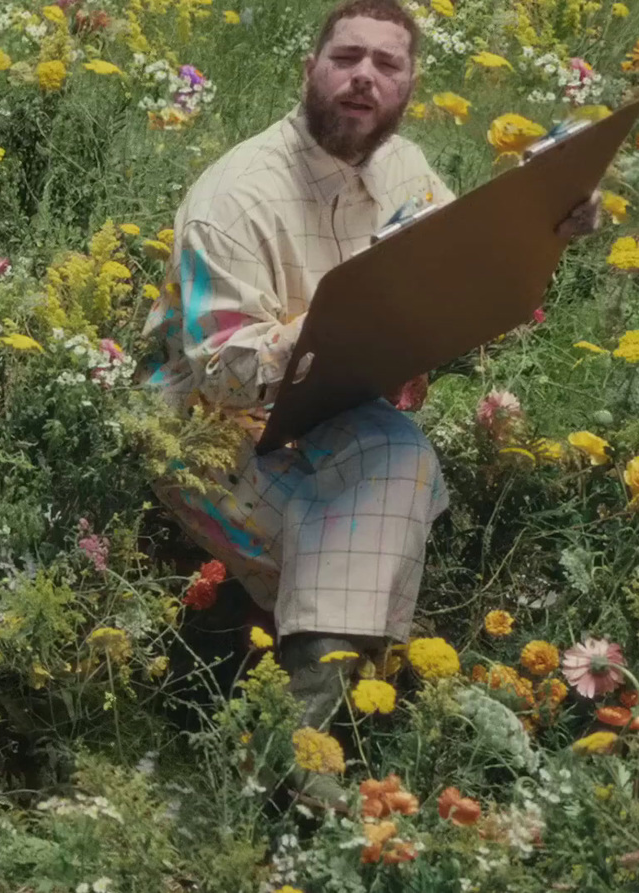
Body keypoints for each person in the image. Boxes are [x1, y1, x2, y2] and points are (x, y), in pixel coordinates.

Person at [141, 0, 600, 804]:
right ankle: (297, 758)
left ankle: (284, 749)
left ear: (411, 85)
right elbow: (217, 372)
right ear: (310, 69)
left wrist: (542, 226)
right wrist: (350, 307)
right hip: (210, 434)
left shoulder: (406, 169)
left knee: (391, 463)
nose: (364, 78)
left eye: (387, 65)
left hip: (338, 410)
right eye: (346, 57)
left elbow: (468, 278)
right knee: (393, 475)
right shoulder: (234, 196)